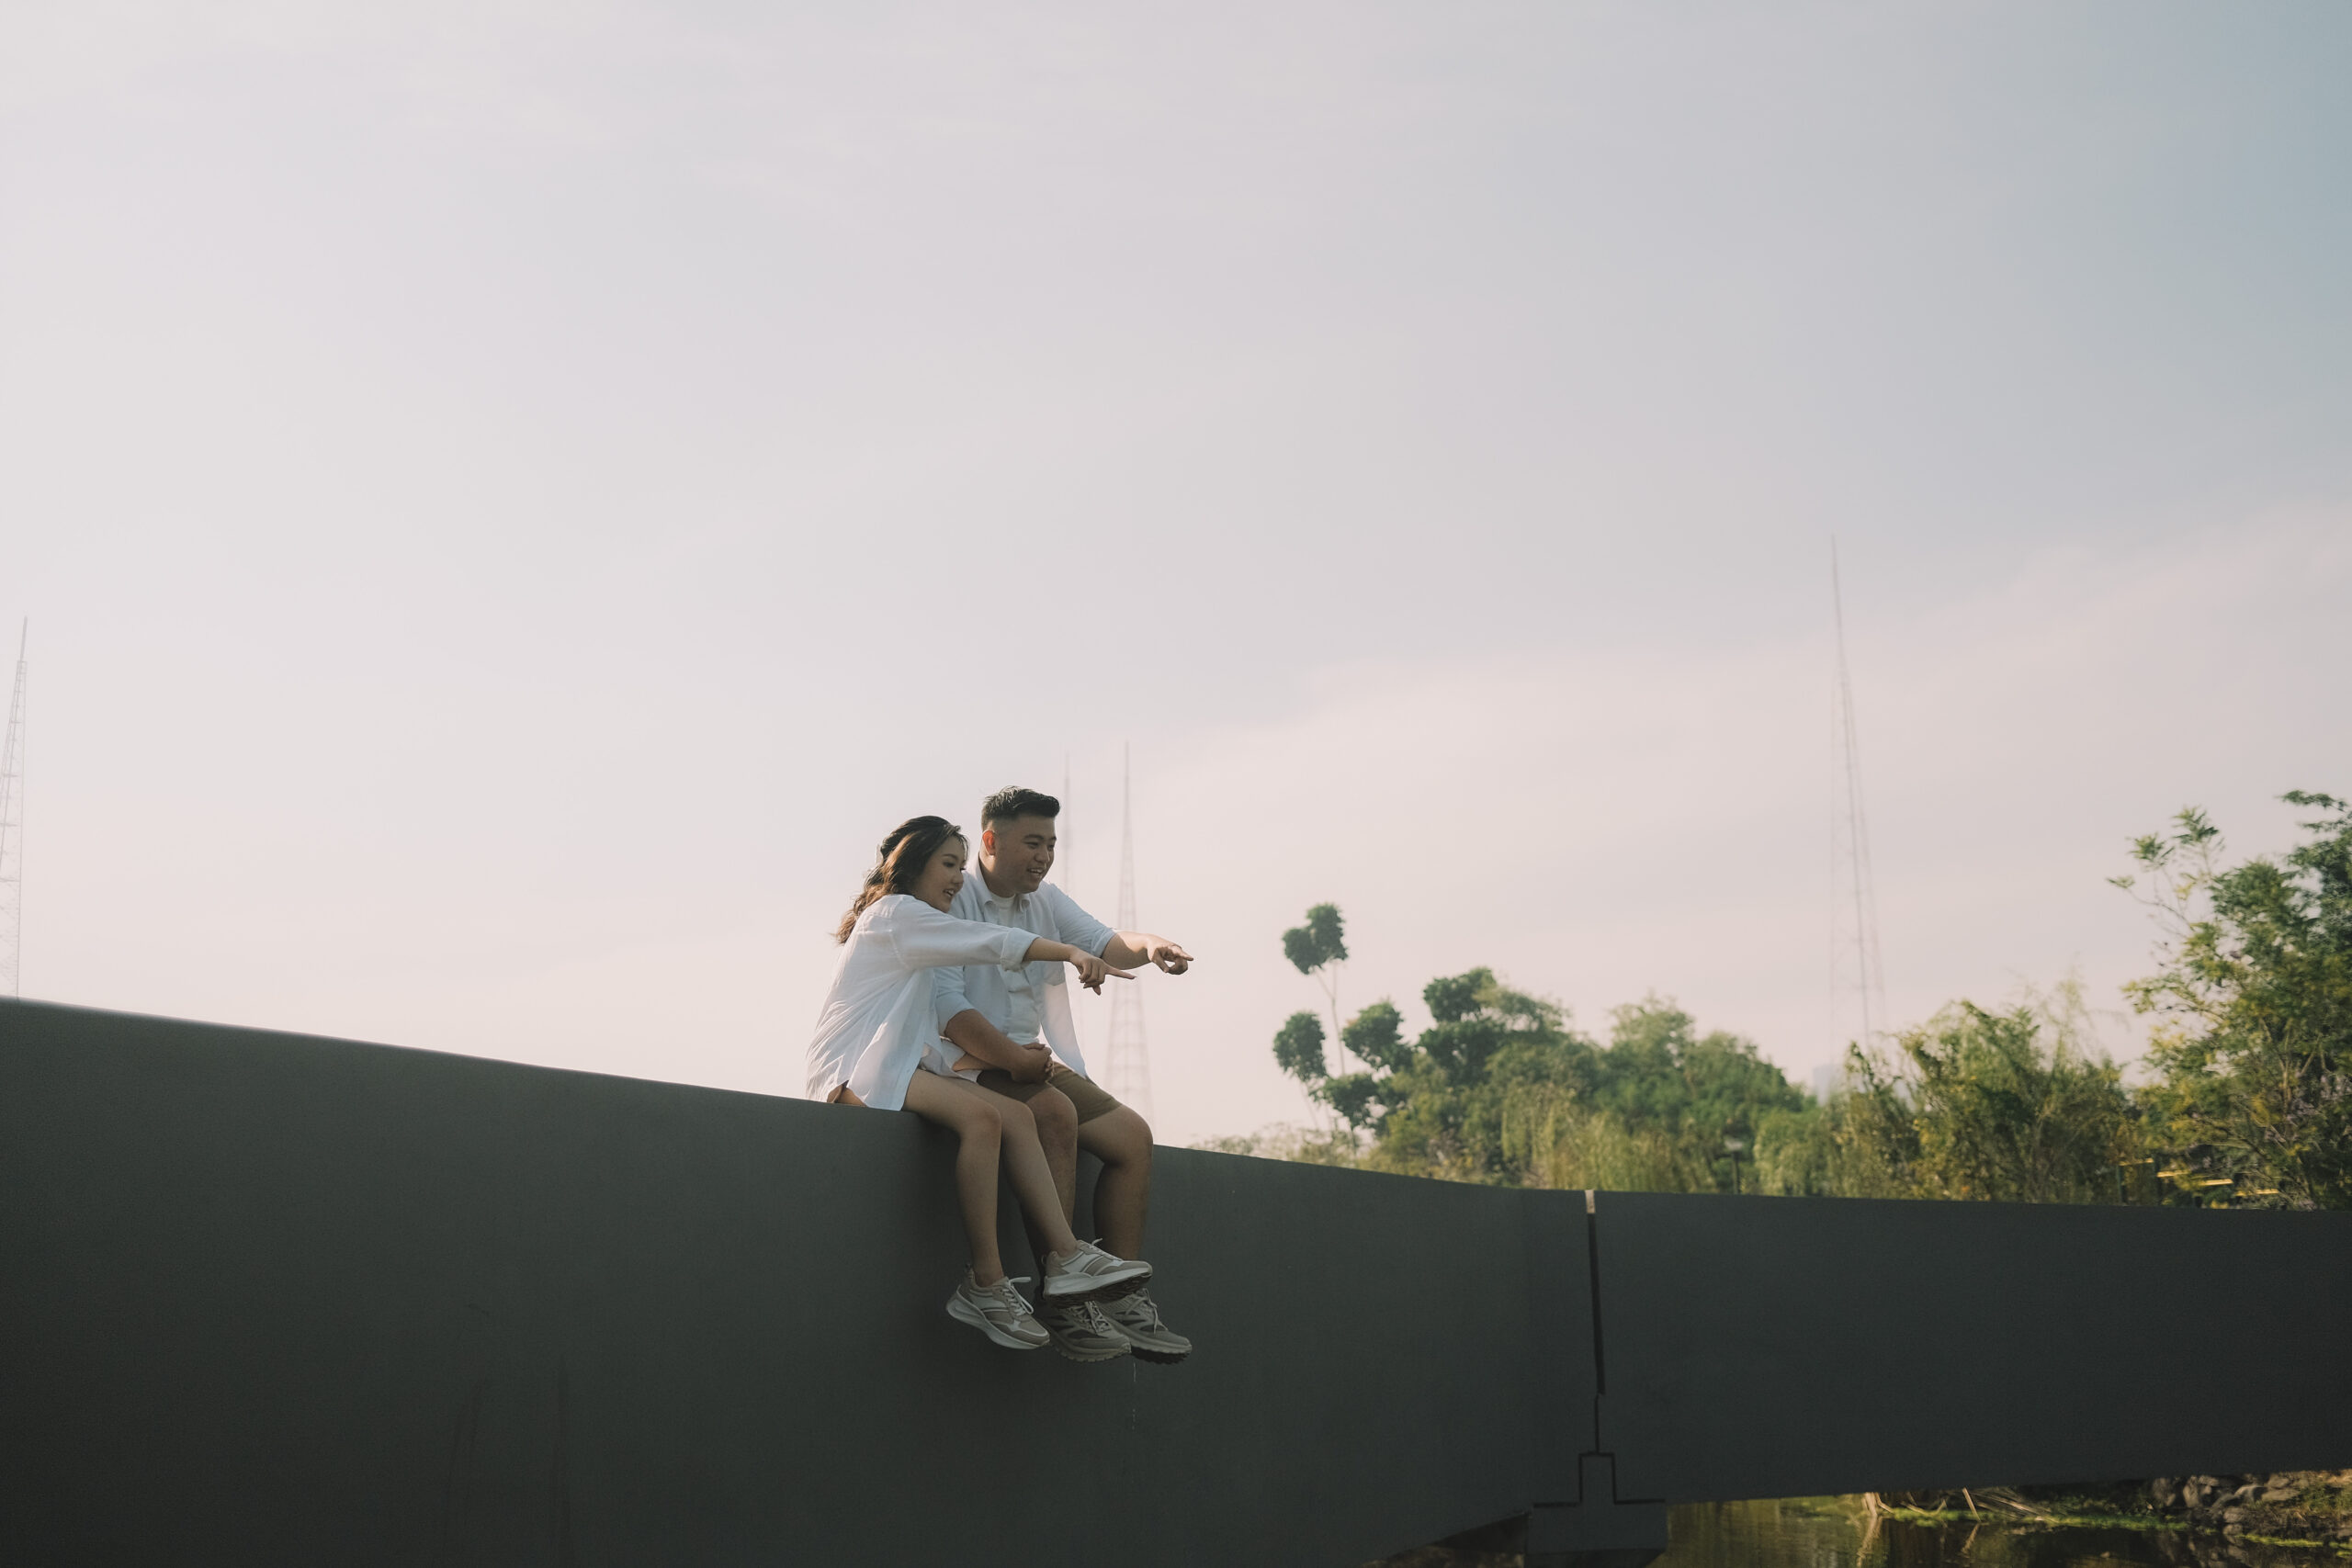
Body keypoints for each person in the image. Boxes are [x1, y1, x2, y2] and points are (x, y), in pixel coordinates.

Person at [807, 815, 1154, 1350]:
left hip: (898, 1063)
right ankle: (986, 1283)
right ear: (914, 866)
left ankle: (1065, 1255)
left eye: (958, 866)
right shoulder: (897, 914)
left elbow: (920, 1025)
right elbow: (989, 941)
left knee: (1015, 1115)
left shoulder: (917, 923)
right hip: (853, 1069)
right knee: (984, 1117)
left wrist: (979, 1061)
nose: (957, 878)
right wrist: (1068, 951)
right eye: (948, 865)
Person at [933, 786, 1197, 1365]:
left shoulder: (1045, 900)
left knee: (1132, 1138)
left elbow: (1105, 943)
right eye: (1033, 843)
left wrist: (1152, 945)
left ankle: (1120, 1299)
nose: (1044, 856)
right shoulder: (952, 897)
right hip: (967, 1060)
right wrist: (1010, 1058)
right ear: (990, 841)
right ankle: (1063, 1300)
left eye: (1051, 844)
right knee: (1054, 1112)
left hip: (1030, 1059)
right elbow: (948, 1009)